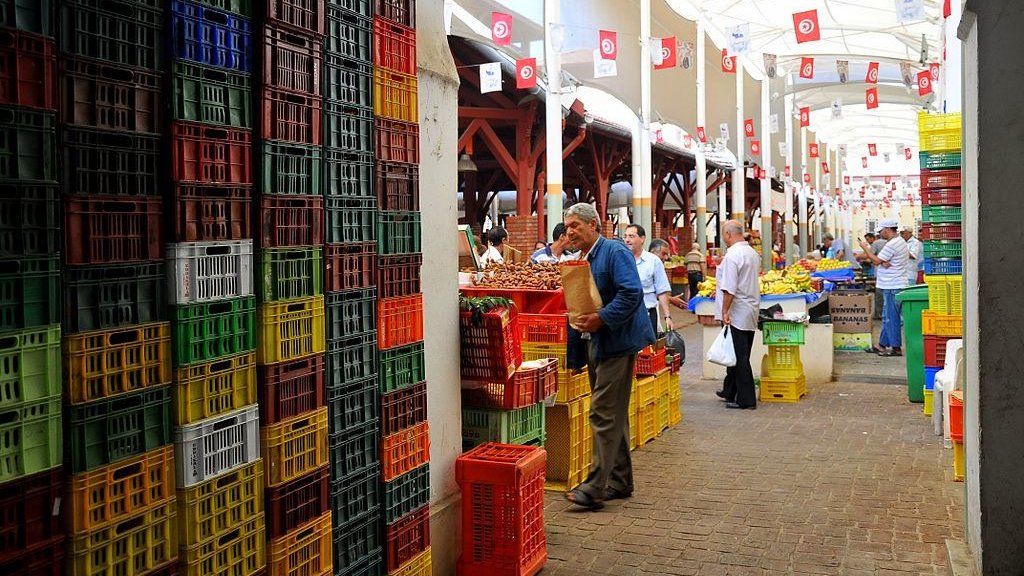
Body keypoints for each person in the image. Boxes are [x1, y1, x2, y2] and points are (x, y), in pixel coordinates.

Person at [562, 203, 655, 510]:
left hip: (616, 342)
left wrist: (601, 318)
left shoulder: (614, 253)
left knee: (602, 412)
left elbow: (631, 294)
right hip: (596, 343)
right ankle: (620, 480)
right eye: (568, 226)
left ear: (594, 225)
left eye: (576, 225)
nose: (570, 231)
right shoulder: (582, 259)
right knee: (612, 412)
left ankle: (596, 486)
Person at [714, 220, 762, 410]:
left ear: (728, 235)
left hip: (737, 311)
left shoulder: (733, 255)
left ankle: (746, 400)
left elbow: (730, 288)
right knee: (738, 352)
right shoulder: (751, 253)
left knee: (740, 356)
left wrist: (725, 311)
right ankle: (730, 390)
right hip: (750, 308)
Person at [859, 218, 910, 357]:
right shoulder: (899, 242)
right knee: (887, 316)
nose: (880, 234)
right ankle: (881, 345)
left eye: (881, 231)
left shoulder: (892, 244)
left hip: (893, 285)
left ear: (887, 229)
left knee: (891, 318)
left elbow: (875, 261)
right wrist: (882, 262)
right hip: (894, 283)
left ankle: (895, 348)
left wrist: (865, 248)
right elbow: (882, 261)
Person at [623, 225, 673, 334]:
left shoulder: (653, 261)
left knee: (647, 350)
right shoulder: (619, 260)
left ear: (642, 239)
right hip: (624, 317)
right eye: (625, 236)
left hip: (647, 315)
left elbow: (662, 291)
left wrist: (667, 316)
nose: (627, 240)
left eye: (631, 236)